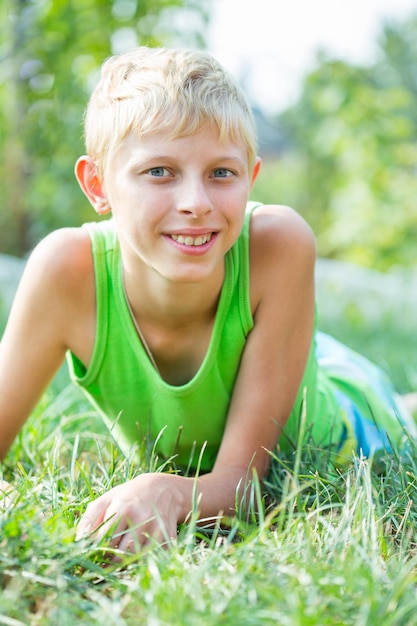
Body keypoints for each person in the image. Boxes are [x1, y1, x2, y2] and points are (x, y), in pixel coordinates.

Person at [0, 47, 414, 552]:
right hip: (294, 354)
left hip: (352, 424)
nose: (196, 203)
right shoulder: (64, 272)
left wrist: (164, 490)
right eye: (159, 172)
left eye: (221, 173)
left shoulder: (278, 243)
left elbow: (243, 489)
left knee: (400, 411)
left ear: (251, 179)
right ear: (96, 184)